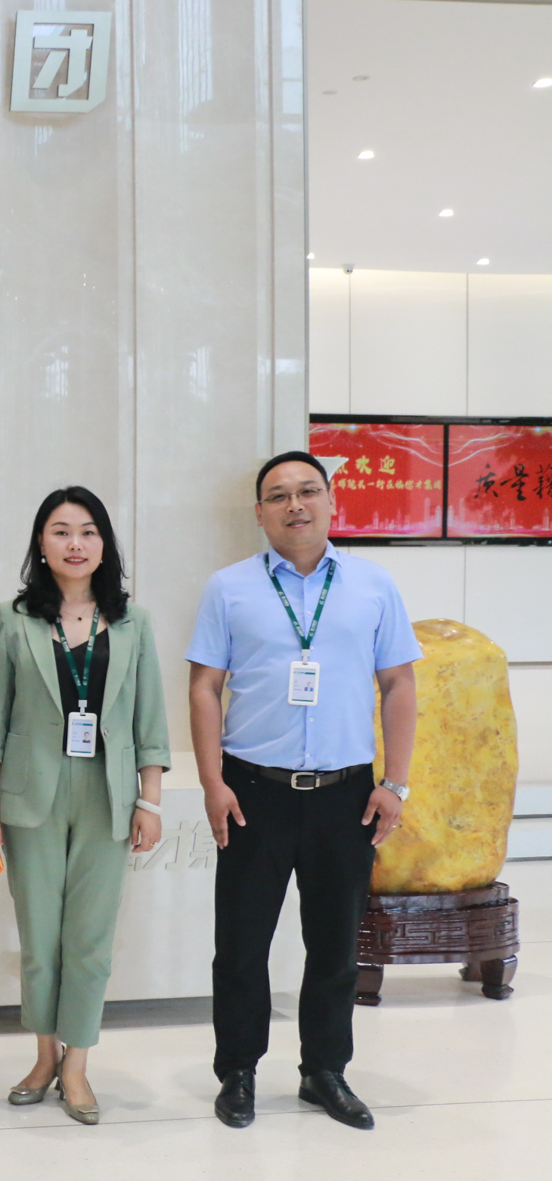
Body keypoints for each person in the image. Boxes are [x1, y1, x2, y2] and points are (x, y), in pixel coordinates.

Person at [187, 450, 419, 1131]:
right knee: (241, 944)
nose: (296, 505)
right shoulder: (229, 587)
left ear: (331, 500)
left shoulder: (373, 584)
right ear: (260, 512)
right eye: (279, 495)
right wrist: (211, 782)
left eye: (308, 491)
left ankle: (324, 1070)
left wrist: (395, 783)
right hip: (253, 792)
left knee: (336, 944)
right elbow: (204, 687)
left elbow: (399, 684)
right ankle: (238, 1072)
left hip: (346, 795)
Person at [0, 486, 170, 1125]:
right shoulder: (15, 618)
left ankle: (77, 1063)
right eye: (60, 531)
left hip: (108, 793)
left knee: (90, 938)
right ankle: (43, 1056)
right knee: (39, 938)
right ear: (41, 543)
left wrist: (150, 802)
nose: (74, 543)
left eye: (87, 531)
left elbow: (150, 719)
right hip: (30, 795)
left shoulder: (134, 622)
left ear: (104, 544)